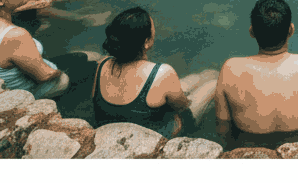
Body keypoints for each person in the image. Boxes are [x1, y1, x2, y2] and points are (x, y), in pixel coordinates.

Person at [215, 0, 298, 150]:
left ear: (251, 32)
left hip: (251, 147)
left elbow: (222, 129)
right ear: (291, 30)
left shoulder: (230, 69)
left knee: (210, 77)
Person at [92, 7, 218, 136]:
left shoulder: (103, 64)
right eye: (153, 30)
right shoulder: (163, 72)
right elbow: (182, 107)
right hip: (162, 133)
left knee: (200, 77)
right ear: (146, 42)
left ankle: (205, 76)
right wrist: (184, 96)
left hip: (113, 127)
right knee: (213, 83)